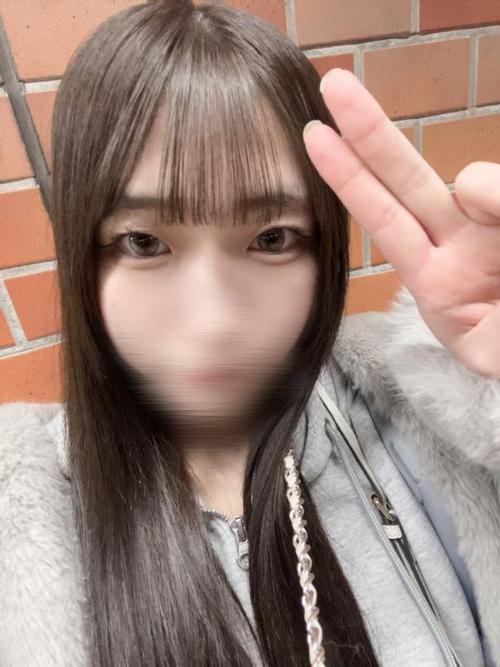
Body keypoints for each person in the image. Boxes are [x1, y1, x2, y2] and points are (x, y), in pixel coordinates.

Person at [0, 1, 499, 665]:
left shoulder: (420, 415)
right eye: (144, 242)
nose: (214, 321)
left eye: (271, 239)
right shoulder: (19, 518)